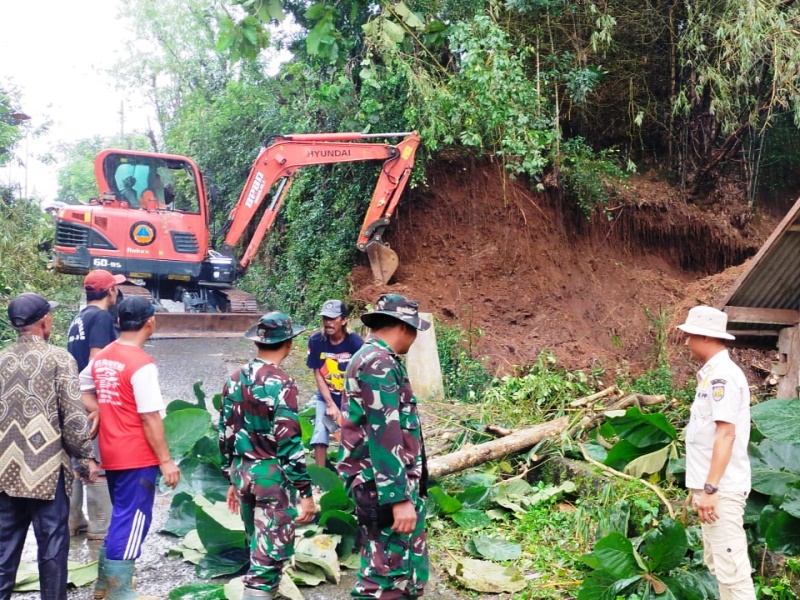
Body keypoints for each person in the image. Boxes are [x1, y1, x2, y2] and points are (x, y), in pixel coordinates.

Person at [80, 296, 180, 600]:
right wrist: (166, 460)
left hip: (112, 451)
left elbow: (82, 387)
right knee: (134, 518)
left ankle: (103, 585)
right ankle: (119, 590)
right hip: (137, 454)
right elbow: (149, 416)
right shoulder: (141, 364)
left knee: (122, 515)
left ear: (120, 322)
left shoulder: (105, 355)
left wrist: (101, 410)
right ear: (150, 321)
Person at [0, 292, 99, 600]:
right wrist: (85, 457)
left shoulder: (1, 358)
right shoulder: (59, 358)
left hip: (4, 470)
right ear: (43, 322)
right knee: (52, 552)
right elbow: (72, 416)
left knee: (3, 553)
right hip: (45, 471)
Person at [338, 293, 431, 599]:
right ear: (405, 327)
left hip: (381, 484)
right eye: (415, 330)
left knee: (398, 572)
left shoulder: (371, 357)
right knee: (385, 579)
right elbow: (384, 434)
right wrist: (398, 498)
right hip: (382, 488)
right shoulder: (378, 364)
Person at [220, 312, 316, 600]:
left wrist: (230, 477)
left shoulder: (235, 378)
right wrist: (305, 491)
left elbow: (224, 433)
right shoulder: (282, 383)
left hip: (243, 472)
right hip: (271, 478)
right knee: (269, 558)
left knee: (256, 547)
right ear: (288, 344)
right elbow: (288, 444)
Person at [678, 305, 756, 600]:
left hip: (720, 490)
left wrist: (710, 488)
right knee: (720, 565)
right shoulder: (712, 375)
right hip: (711, 489)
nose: (686, 342)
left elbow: (726, 433)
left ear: (706, 338)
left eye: (690, 336)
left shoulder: (722, 376)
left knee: (733, 573)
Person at [66, 268, 126, 539]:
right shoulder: (101, 317)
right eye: (116, 288)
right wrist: (100, 405)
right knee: (96, 459)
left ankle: (72, 520)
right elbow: (96, 362)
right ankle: (100, 526)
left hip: (71, 394)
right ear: (110, 291)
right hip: (90, 396)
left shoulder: (79, 317)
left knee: (76, 458)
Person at [307, 299, 363, 467]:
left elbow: (360, 375)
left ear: (344, 320)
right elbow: (317, 373)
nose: (328, 323)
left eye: (332, 319)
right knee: (319, 433)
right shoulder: (316, 341)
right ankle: (320, 477)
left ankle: (351, 471)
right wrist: (330, 404)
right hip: (326, 395)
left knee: (351, 434)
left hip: (350, 395)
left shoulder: (355, 343)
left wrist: (347, 404)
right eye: (325, 318)